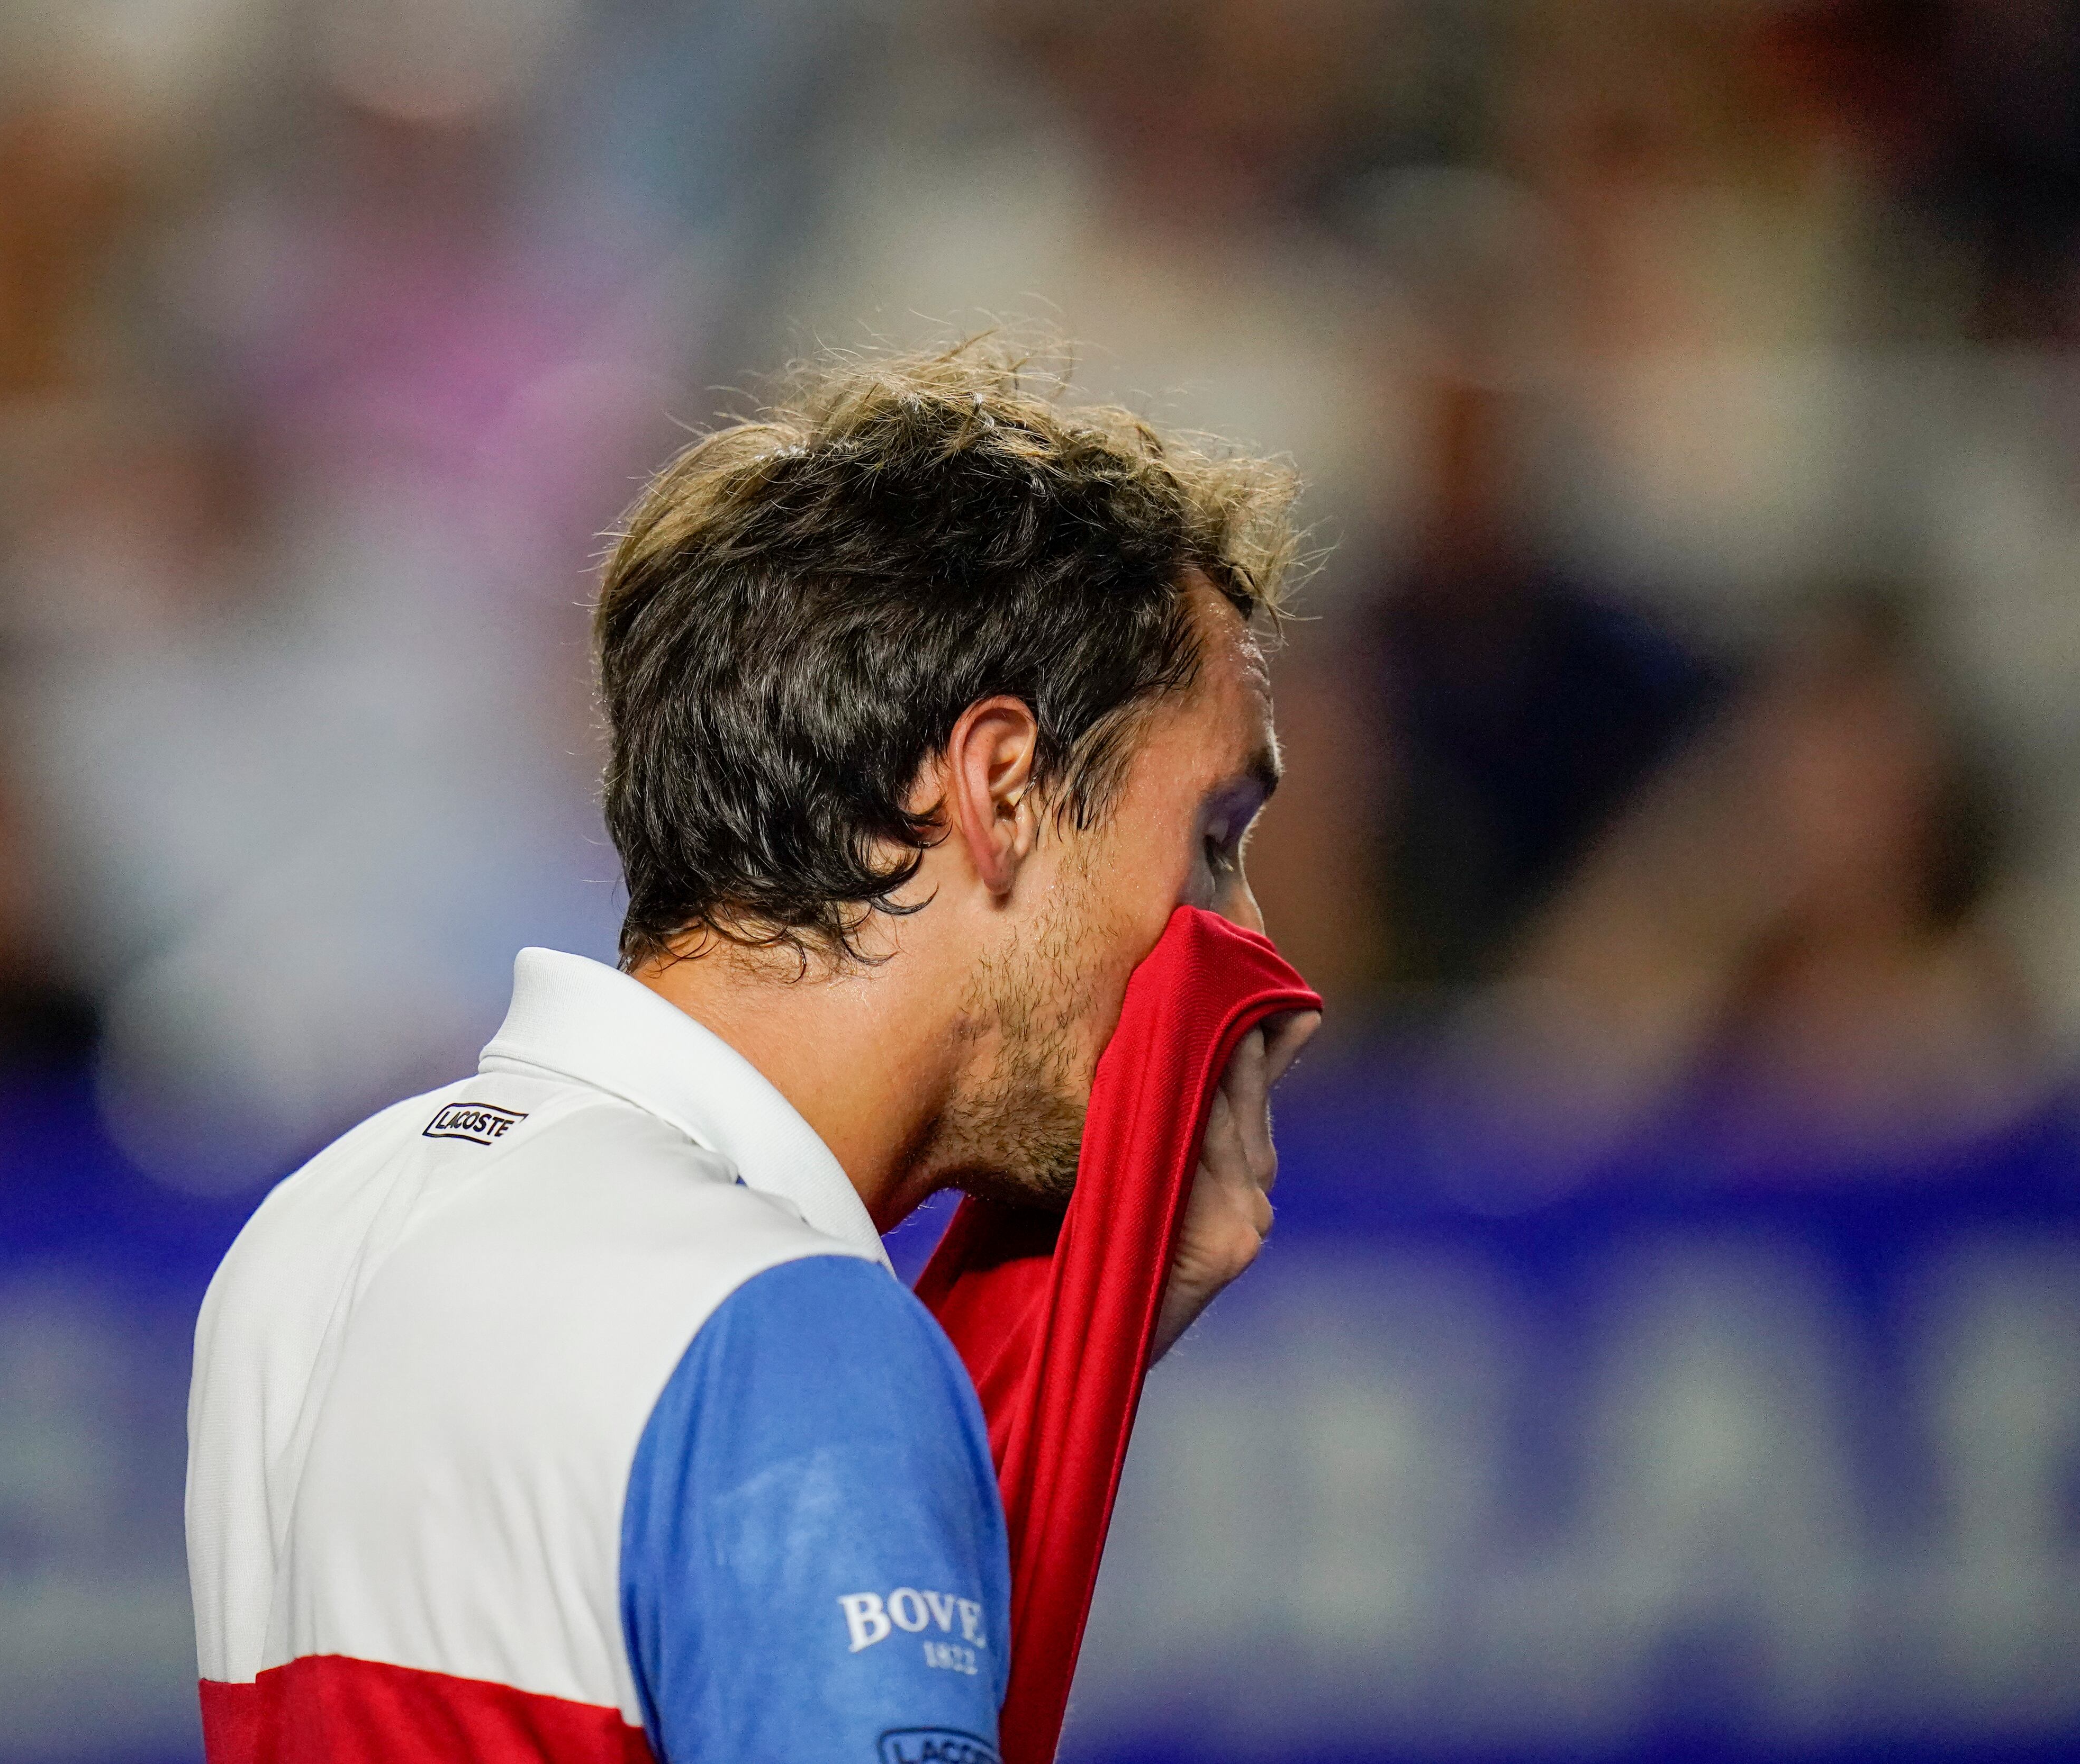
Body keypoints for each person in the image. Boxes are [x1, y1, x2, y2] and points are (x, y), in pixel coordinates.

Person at [185, 346, 1322, 1763]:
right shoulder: (781, 1330)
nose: (1252, 938)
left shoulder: (318, 1229)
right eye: (1214, 836)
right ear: (1000, 789)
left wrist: (1081, 1330)